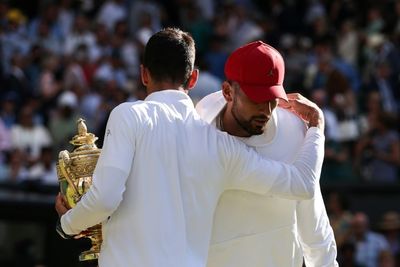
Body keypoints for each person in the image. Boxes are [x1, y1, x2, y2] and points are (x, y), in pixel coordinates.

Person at [55, 28, 325, 267]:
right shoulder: (222, 147)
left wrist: (67, 225)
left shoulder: (128, 115)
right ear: (193, 78)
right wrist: (316, 127)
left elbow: (104, 199)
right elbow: (302, 184)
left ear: (143, 75)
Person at [196, 41, 338, 266]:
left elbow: (314, 220)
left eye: (272, 98)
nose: (267, 110)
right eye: (256, 98)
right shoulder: (198, 126)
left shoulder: (295, 129)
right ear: (227, 92)